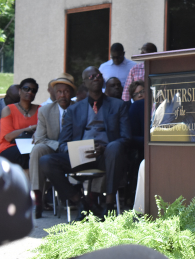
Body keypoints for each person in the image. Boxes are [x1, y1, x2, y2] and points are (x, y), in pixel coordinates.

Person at [40, 67, 131, 220]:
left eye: (98, 76)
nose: (95, 78)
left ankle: (109, 205)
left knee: (115, 147)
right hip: (81, 156)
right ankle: (80, 201)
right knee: (46, 161)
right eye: (91, 76)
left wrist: (104, 148)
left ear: (102, 80)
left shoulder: (118, 105)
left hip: (107, 157)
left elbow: (126, 138)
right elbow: (63, 143)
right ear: (85, 83)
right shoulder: (74, 110)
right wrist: (77, 150)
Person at [29, 73, 76, 218]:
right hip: (54, 147)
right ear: (54, 94)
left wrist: (69, 147)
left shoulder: (80, 108)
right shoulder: (45, 110)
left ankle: (81, 197)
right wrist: (60, 145)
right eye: (59, 92)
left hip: (74, 148)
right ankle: (38, 199)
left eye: (66, 91)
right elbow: (40, 138)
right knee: (37, 149)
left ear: (71, 93)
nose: (62, 95)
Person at [0, 79, 40, 169]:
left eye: (33, 90)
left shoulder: (41, 109)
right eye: (26, 88)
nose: (29, 92)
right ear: (20, 91)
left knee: (39, 153)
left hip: (34, 145)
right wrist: (30, 128)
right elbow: (8, 137)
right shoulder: (8, 109)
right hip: (10, 146)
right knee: (25, 155)